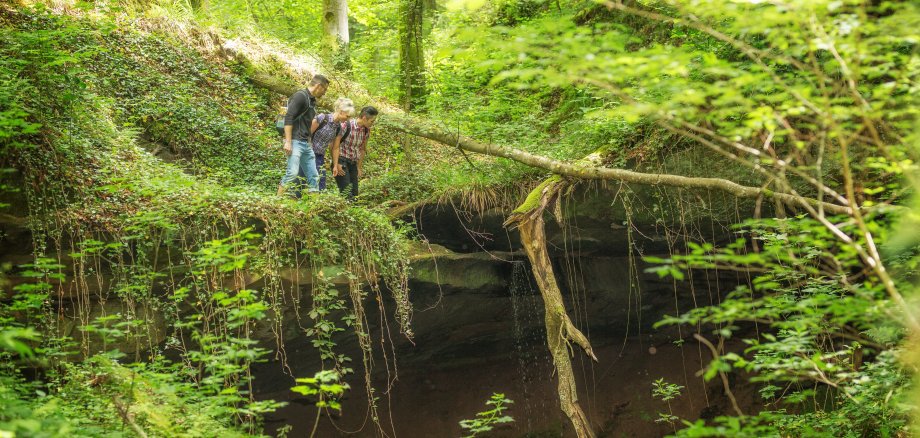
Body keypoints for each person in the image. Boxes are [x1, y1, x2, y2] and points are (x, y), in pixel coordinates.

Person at [277, 74, 329, 197]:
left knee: (314, 175)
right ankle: (277, 201)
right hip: (295, 141)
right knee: (292, 173)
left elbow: (306, 123)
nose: (324, 93)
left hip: (306, 143)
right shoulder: (300, 96)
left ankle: (314, 208)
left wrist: (309, 141)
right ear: (318, 86)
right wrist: (288, 141)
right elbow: (289, 118)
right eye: (325, 89)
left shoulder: (312, 100)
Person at [300, 97, 354, 191]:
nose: (348, 119)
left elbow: (335, 148)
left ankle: (316, 203)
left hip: (320, 156)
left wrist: (336, 165)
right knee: (300, 180)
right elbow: (306, 134)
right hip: (307, 152)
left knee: (320, 183)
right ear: (341, 112)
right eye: (347, 116)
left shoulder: (338, 128)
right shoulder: (322, 118)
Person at [331, 106, 377, 201]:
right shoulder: (346, 125)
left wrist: (359, 167)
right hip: (341, 161)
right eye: (372, 121)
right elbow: (333, 146)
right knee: (347, 194)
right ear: (364, 117)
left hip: (353, 164)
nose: (373, 123)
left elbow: (363, 149)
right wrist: (336, 164)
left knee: (355, 195)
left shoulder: (366, 131)